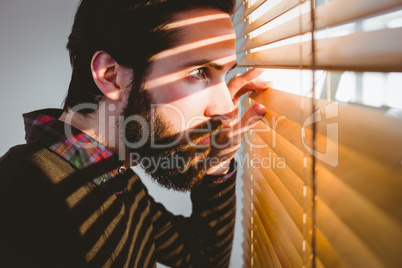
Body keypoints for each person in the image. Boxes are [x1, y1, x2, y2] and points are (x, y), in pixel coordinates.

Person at [0, 0, 269, 267]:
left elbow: (202, 259)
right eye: (199, 72)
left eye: (223, 75)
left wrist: (217, 162)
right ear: (111, 76)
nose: (224, 108)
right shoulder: (26, 193)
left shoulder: (114, 179)